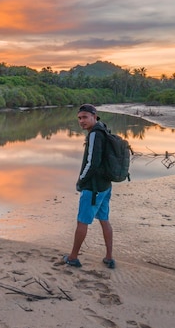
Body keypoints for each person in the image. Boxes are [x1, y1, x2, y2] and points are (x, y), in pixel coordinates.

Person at [63, 103, 115, 269]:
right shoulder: (103, 129)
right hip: (105, 185)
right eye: (79, 118)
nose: (81, 121)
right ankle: (108, 257)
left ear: (94, 116)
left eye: (85, 117)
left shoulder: (94, 134)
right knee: (104, 220)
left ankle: (72, 257)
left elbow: (92, 162)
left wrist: (81, 181)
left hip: (93, 188)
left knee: (82, 222)